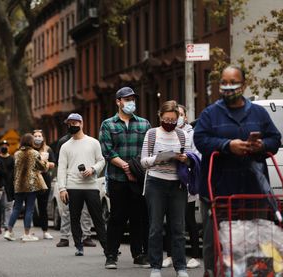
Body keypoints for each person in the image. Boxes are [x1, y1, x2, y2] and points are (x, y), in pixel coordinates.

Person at [193, 65, 281, 276]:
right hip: (219, 190)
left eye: (233, 83)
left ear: (244, 84)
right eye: (224, 83)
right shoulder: (210, 114)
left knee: (256, 239)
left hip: (253, 189)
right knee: (215, 241)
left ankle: (253, 273)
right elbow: (201, 139)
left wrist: (261, 146)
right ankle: (213, 272)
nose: (228, 87)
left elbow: (274, 139)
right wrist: (227, 145)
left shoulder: (258, 113)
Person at [99, 86, 151, 269]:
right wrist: (126, 167)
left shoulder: (144, 124)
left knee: (139, 218)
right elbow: (107, 150)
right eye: (127, 99)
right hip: (117, 179)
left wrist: (134, 169)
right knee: (117, 218)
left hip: (138, 179)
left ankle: (139, 254)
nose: (131, 103)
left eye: (132, 99)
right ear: (118, 102)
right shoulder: (108, 124)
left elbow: (149, 150)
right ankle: (111, 255)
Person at [141, 100, 191, 277]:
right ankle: (155, 266)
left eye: (173, 120)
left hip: (177, 184)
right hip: (156, 183)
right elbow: (143, 161)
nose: (169, 123)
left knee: (178, 227)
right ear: (160, 116)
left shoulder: (183, 136)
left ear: (178, 119)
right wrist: (159, 158)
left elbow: (190, 158)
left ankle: (181, 267)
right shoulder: (152, 134)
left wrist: (185, 159)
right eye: (166, 119)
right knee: (155, 226)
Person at [58, 113, 107, 257]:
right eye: (69, 124)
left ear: (81, 123)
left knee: (98, 218)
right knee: (75, 218)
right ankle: (79, 246)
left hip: (91, 186)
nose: (72, 126)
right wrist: (62, 188)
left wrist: (93, 169)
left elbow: (101, 160)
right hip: (73, 186)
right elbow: (61, 168)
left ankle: (107, 248)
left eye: (75, 123)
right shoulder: (65, 146)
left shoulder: (93, 142)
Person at [162, 105, 201, 269]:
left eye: (181, 114)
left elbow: (196, 155)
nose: (177, 117)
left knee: (189, 219)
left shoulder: (192, 134)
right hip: (169, 179)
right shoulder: (165, 133)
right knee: (170, 220)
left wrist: (186, 158)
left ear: (185, 117)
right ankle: (170, 255)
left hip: (186, 180)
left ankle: (194, 255)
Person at [4, 133, 47, 242]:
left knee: (17, 208)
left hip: (18, 184)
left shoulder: (17, 154)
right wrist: (45, 160)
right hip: (31, 185)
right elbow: (42, 167)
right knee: (29, 209)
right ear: (30, 142)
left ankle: (9, 231)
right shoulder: (34, 153)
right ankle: (26, 234)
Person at [55, 131, 95, 248]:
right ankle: (64, 237)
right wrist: (62, 185)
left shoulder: (88, 142)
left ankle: (86, 236)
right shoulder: (64, 142)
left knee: (85, 210)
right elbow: (60, 164)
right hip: (69, 181)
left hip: (85, 181)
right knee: (67, 210)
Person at [32, 130, 56, 240]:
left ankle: (45, 231)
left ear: (43, 137)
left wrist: (44, 162)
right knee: (29, 205)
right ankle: (27, 232)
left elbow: (53, 164)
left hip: (44, 179)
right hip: (31, 179)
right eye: (35, 136)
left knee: (43, 206)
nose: (37, 137)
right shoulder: (30, 150)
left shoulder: (48, 149)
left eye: (39, 136)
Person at [0, 140, 15, 231]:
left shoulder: (12, 159)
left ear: (8, 147)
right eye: (2, 145)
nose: (4, 146)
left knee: (8, 206)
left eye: (6, 145)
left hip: (9, 185)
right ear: (0, 147)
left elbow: (11, 173)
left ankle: (7, 224)